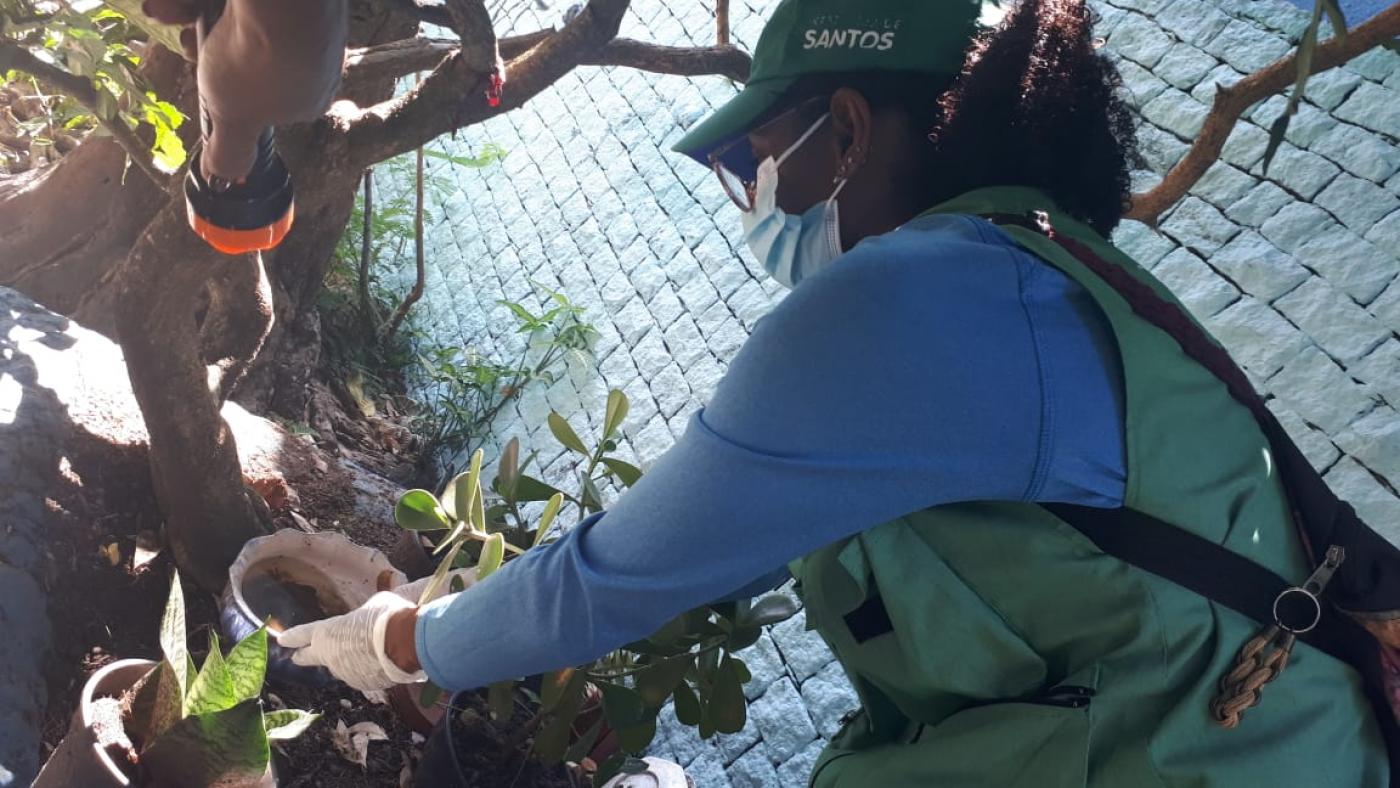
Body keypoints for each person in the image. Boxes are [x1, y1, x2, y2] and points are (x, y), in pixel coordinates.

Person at [167, 0, 1389, 783]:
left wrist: (401, 639)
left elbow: (612, 576)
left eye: (753, 156)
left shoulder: (904, 303)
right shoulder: (1041, 269)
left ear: (848, 132)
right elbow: (714, 544)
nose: (747, 192)